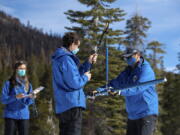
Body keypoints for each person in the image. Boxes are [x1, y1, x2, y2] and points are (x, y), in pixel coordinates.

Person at [94, 48, 158, 135]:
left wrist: (120, 92)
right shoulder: (127, 72)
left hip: (146, 113)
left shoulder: (145, 70)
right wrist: (98, 91)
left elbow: (138, 88)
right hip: (132, 114)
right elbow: (115, 84)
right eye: (125, 58)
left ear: (137, 55)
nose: (127, 60)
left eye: (129, 57)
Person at [51, 32, 97, 135]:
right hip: (72, 104)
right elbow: (75, 83)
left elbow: (73, 75)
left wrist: (88, 62)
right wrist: (86, 77)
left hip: (63, 105)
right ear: (72, 44)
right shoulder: (66, 59)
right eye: (77, 46)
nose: (78, 49)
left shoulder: (60, 58)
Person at [1, 60, 35, 135]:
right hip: (11, 116)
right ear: (16, 69)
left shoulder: (28, 84)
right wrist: (15, 97)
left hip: (24, 116)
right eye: (20, 68)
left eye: (24, 69)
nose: (22, 70)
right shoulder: (8, 83)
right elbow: (3, 100)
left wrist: (31, 97)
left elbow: (27, 103)